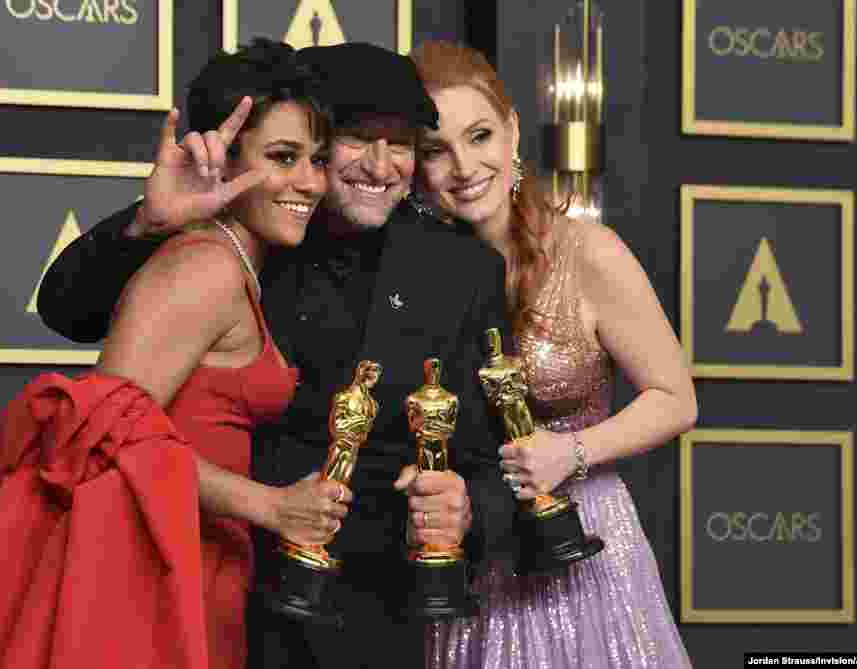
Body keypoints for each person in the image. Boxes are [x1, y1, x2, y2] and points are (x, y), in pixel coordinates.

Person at [35, 42, 514, 669]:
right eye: (354, 139)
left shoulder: (461, 270)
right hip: (220, 587)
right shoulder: (259, 222)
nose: (381, 166)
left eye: (402, 144)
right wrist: (148, 222)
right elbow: (68, 311)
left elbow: (492, 455)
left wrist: (469, 506)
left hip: (374, 617)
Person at [0, 39, 345, 669]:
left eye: (318, 159)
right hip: (148, 572)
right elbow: (97, 434)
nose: (310, 181)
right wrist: (270, 505)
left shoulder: (247, 261)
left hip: (196, 558)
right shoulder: (204, 267)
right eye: (282, 157)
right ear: (221, 160)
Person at [410, 40, 696, 668]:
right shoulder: (412, 276)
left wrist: (571, 450)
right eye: (436, 149)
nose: (464, 165)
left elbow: (677, 400)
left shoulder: (588, 252)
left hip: (583, 536)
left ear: (512, 132)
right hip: (471, 551)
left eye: (479, 134)